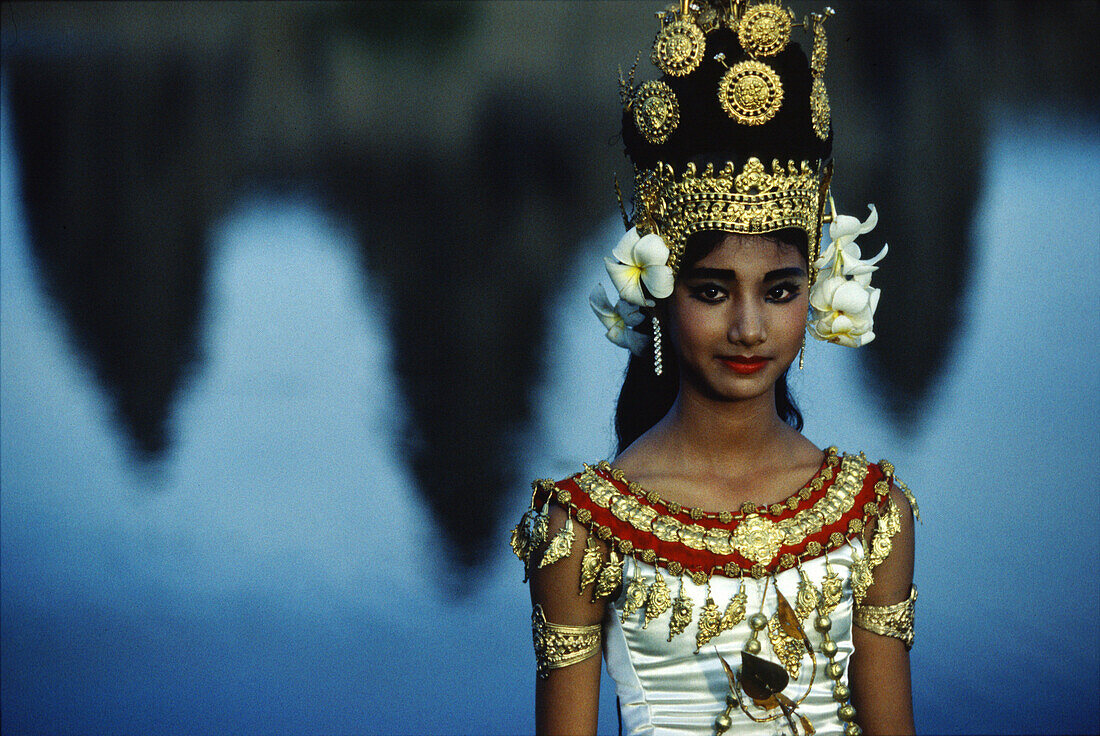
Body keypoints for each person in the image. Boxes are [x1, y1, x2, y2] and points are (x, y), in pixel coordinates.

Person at [511, 2, 918, 734]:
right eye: (711, 290)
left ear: (818, 291)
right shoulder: (584, 531)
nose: (749, 327)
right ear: (661, 294)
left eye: (781, 290)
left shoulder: (872, 517)